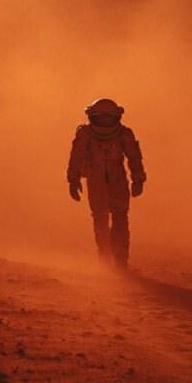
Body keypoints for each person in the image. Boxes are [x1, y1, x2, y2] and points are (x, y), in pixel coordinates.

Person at [66, 98, 146, 268]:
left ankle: (119, 257)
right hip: (99, 179)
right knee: (105, 218)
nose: (105, 122)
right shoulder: (86, 135)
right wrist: (73, 180)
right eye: (101, 118)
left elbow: (134, 158)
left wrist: (138, 179)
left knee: (116, 218)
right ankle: (106, 255)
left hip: (115, 179)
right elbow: (76, 158)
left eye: (109, 118)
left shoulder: (123, 134)